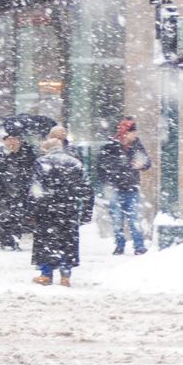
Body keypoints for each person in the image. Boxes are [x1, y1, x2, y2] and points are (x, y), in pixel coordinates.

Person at [29, 137, 93, 286]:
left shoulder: (42, 162)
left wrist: (31, 210)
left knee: (46, 241)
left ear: (46, 149)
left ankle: (46, 274)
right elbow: (87, 188)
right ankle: (65, 275)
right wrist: (86, 211)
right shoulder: (75, 163)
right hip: (69, 208)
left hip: (46, 209)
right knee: (67, 241)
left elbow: (35, 188)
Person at [96, 116, 152, 255]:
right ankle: (119, 245)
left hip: (132, 188)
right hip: (115, 189)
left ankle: (139, 246)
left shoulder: (137, 145)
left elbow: (147, 162)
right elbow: (101, 167)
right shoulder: (110, 147)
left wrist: (143, 165)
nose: (136, 135)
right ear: (125, 133)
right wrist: (109, 181)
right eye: (133, 132)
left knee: (134, 218)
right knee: (117, 219)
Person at [0, 132, 36, 250]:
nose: (12, 142)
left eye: (15, 139)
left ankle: (14, 240)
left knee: (16, 217)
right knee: (2, 217)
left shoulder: (27, 155)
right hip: (0, 192)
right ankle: (5, 241)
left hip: (19, 192)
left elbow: (30, 173)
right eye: (9, 139)